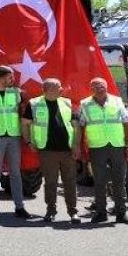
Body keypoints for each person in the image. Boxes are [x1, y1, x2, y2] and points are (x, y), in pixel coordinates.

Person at [21, 78, 81, 223]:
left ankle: (73, 212)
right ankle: (51, 210)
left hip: (67, 150)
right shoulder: (34, 104)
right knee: (50, 182)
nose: (62, 89)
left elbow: (76, 126)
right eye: (58, 87)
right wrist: (29, 141)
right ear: (47, 90)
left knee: (70, 182)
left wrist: (76, 146)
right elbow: (25, 124)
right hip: (47, 151)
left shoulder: (67, 102)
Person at [79, 77, 128, 224]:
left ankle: (121, 213)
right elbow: (81, 127)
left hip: (117, 145)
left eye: (102, 85)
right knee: (99, 181)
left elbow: (126, 124)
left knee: (119, 181)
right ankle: (101, 212)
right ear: (92, 89)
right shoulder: (85, 104)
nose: (99, 88)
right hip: (97, 147)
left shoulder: (117, 101)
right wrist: (82, 148)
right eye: (96, 86)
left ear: (107, 87)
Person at [0, 65, 30, 219]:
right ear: (1, 78)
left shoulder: (17, 93)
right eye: (10, 77)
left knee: (15, 172)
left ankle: (19, 207)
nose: (13, 79)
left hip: (14, 136)